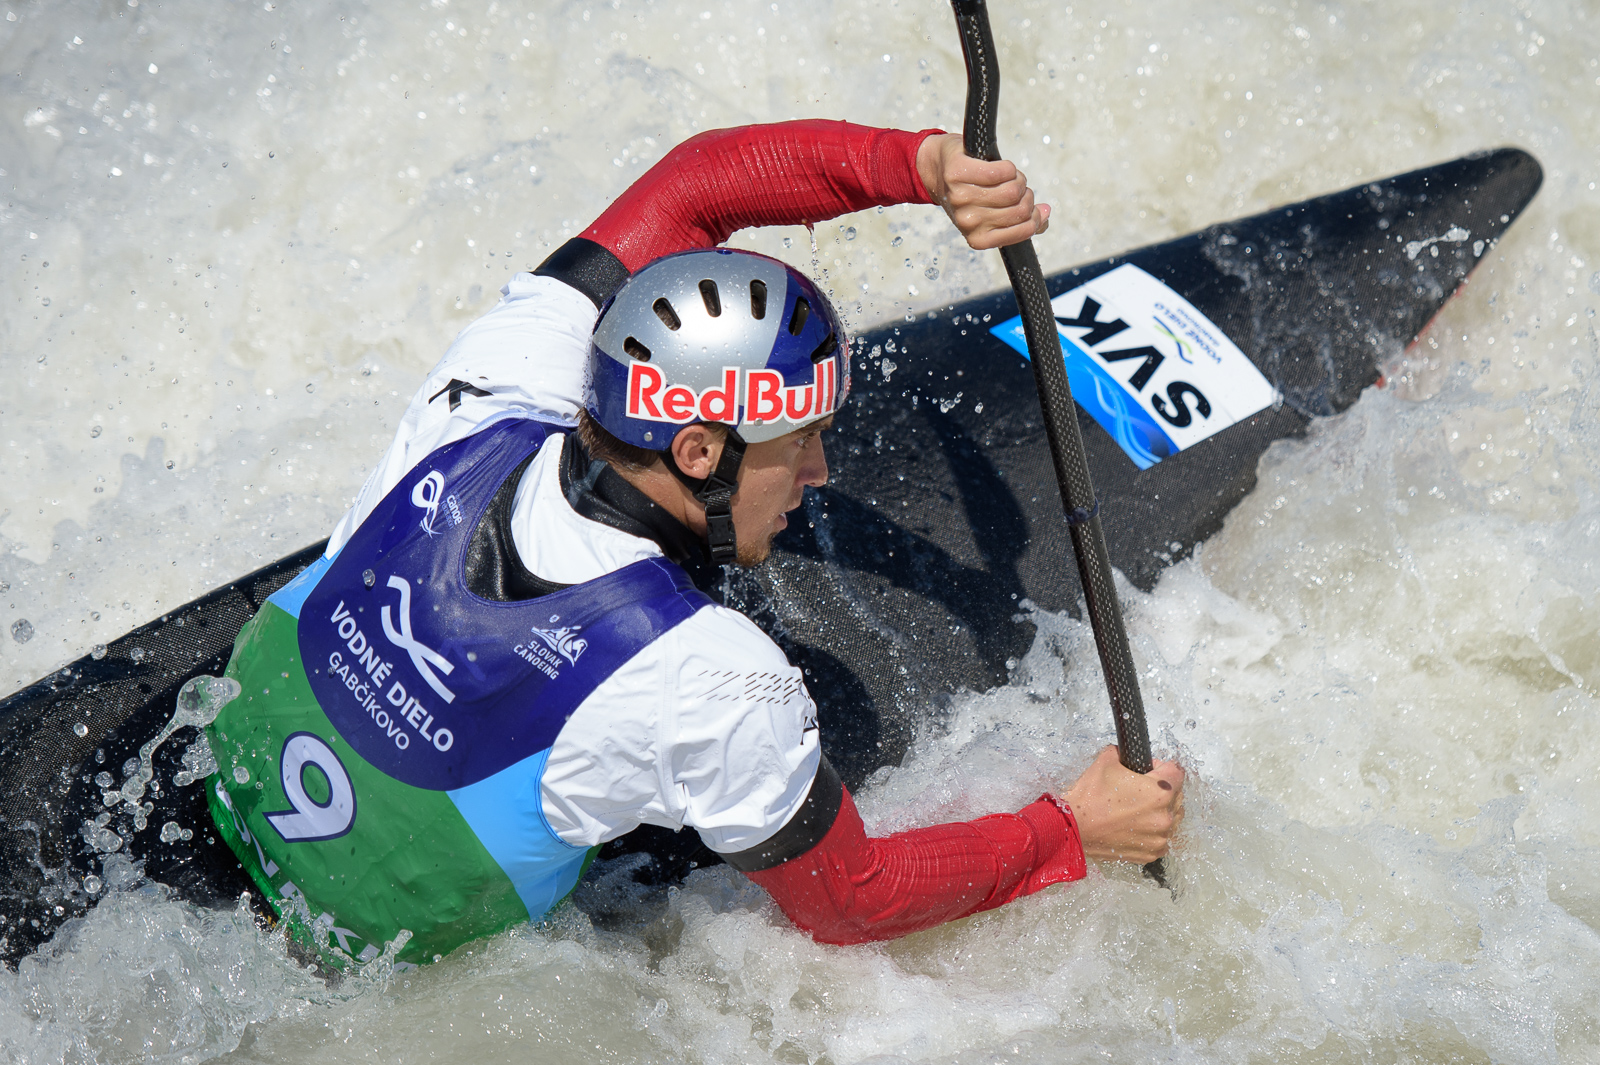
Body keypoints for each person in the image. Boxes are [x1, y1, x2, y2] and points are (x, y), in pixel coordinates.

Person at [203, 120, 1184, 966]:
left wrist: (921, 166)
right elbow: (854, 901)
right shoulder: (703, 674)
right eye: (798, 441)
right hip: (388, 964)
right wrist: (1070, 829)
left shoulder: (500, 379)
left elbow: (692, 188)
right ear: (699, 447)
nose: (820, 475)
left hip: (228, 777)